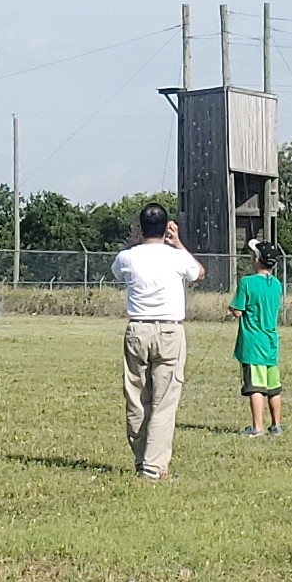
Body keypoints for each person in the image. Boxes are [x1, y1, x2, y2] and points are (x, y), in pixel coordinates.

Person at [113, 200, 205, 479]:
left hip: (137, 330)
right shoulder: (176, 257)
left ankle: (142, 459)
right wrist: (178, 244)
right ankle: (154, 466)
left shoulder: (127, 257)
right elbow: (199, 273)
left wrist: (136, 241)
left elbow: (117, 271)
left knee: (137, 398)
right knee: (164, 402)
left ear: (140, 228)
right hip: (169, 331)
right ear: (167, 228)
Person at [233, 238, 285, 436]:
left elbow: (238, 311)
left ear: (256, 260)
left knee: (255, 387)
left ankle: (257, 427)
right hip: (271, 342)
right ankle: (276, 425)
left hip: (253, 342)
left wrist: (232, 309)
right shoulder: (276, 284)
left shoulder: (246, 282)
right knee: (273, 387)